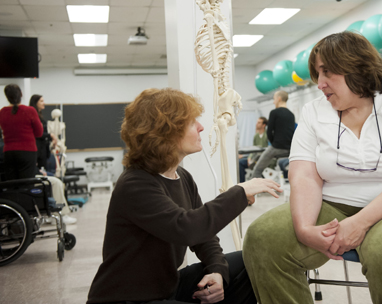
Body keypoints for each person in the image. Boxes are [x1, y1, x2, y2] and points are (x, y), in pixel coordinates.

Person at [242, 32, 382, 304]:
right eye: (317, 74)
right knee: (264, 238)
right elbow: (305, 176)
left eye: (327, 72)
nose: (319, 84)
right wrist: (303, 228)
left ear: (357, 67)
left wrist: (360, 222)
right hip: (336, 204)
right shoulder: (314, 111)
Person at [87, 88, 282, 304]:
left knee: (253, 261)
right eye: (191, 123)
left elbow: (203, 236)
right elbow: (187, 228)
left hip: (167, 288)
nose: (201, 127)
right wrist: (240, 192)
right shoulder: (135, 184)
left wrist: (216, 270)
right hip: (128, 299)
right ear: (165, 132)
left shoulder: (182, 176)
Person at [0, 84, 43, 180]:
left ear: (7, 97)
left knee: (12, 184)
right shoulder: (30, 110)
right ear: (21, 94)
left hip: (9, 152)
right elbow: (39, 133)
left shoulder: (2, 112)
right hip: (27, 151)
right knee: (26, 184)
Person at [250, 90, 295, 179]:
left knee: (257, 169)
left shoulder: (274, 112)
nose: (274, 102)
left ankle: (253, 190)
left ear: (279, 99)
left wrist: (273, 143)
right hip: (289, 149)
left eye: (274, 99)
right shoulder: (291, 115)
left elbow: (269, 132)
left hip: (277, 147)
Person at [29, 94, 57, 170]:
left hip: (43, 149)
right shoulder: (32, 116)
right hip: (37, 149)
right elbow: (37, 133)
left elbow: (43, 132)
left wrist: (51, 139)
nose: (43, 103)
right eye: (41, 101)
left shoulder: (40, 116)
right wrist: (50, 135)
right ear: (35, 103)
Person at [238, 117, 268, 183]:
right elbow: (253, 149)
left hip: (262, 159)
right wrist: (249, 158)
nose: (257, 124)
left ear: (264, 125)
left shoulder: (267, 135)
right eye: (257, 122)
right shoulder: (256, 136)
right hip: (254, 158)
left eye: (259, 122)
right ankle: (242, 184)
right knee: (240, 162)